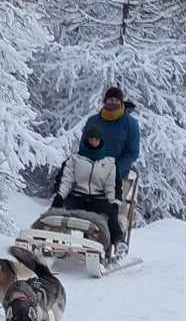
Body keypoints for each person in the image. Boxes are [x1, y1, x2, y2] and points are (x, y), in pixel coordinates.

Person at [52, 87, 140, 254]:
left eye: (116, 100)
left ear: (121, 102)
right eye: (110, 99)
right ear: (104, 101)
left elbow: (132, 152)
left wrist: (114, 169)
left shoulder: (130, 124)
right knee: (79, 204)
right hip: (90, 171)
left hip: (118, 174)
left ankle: (114, 243)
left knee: (114, 209)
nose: (113, 102)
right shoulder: (94, 120)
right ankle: (74, 240)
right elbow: (83, 147)